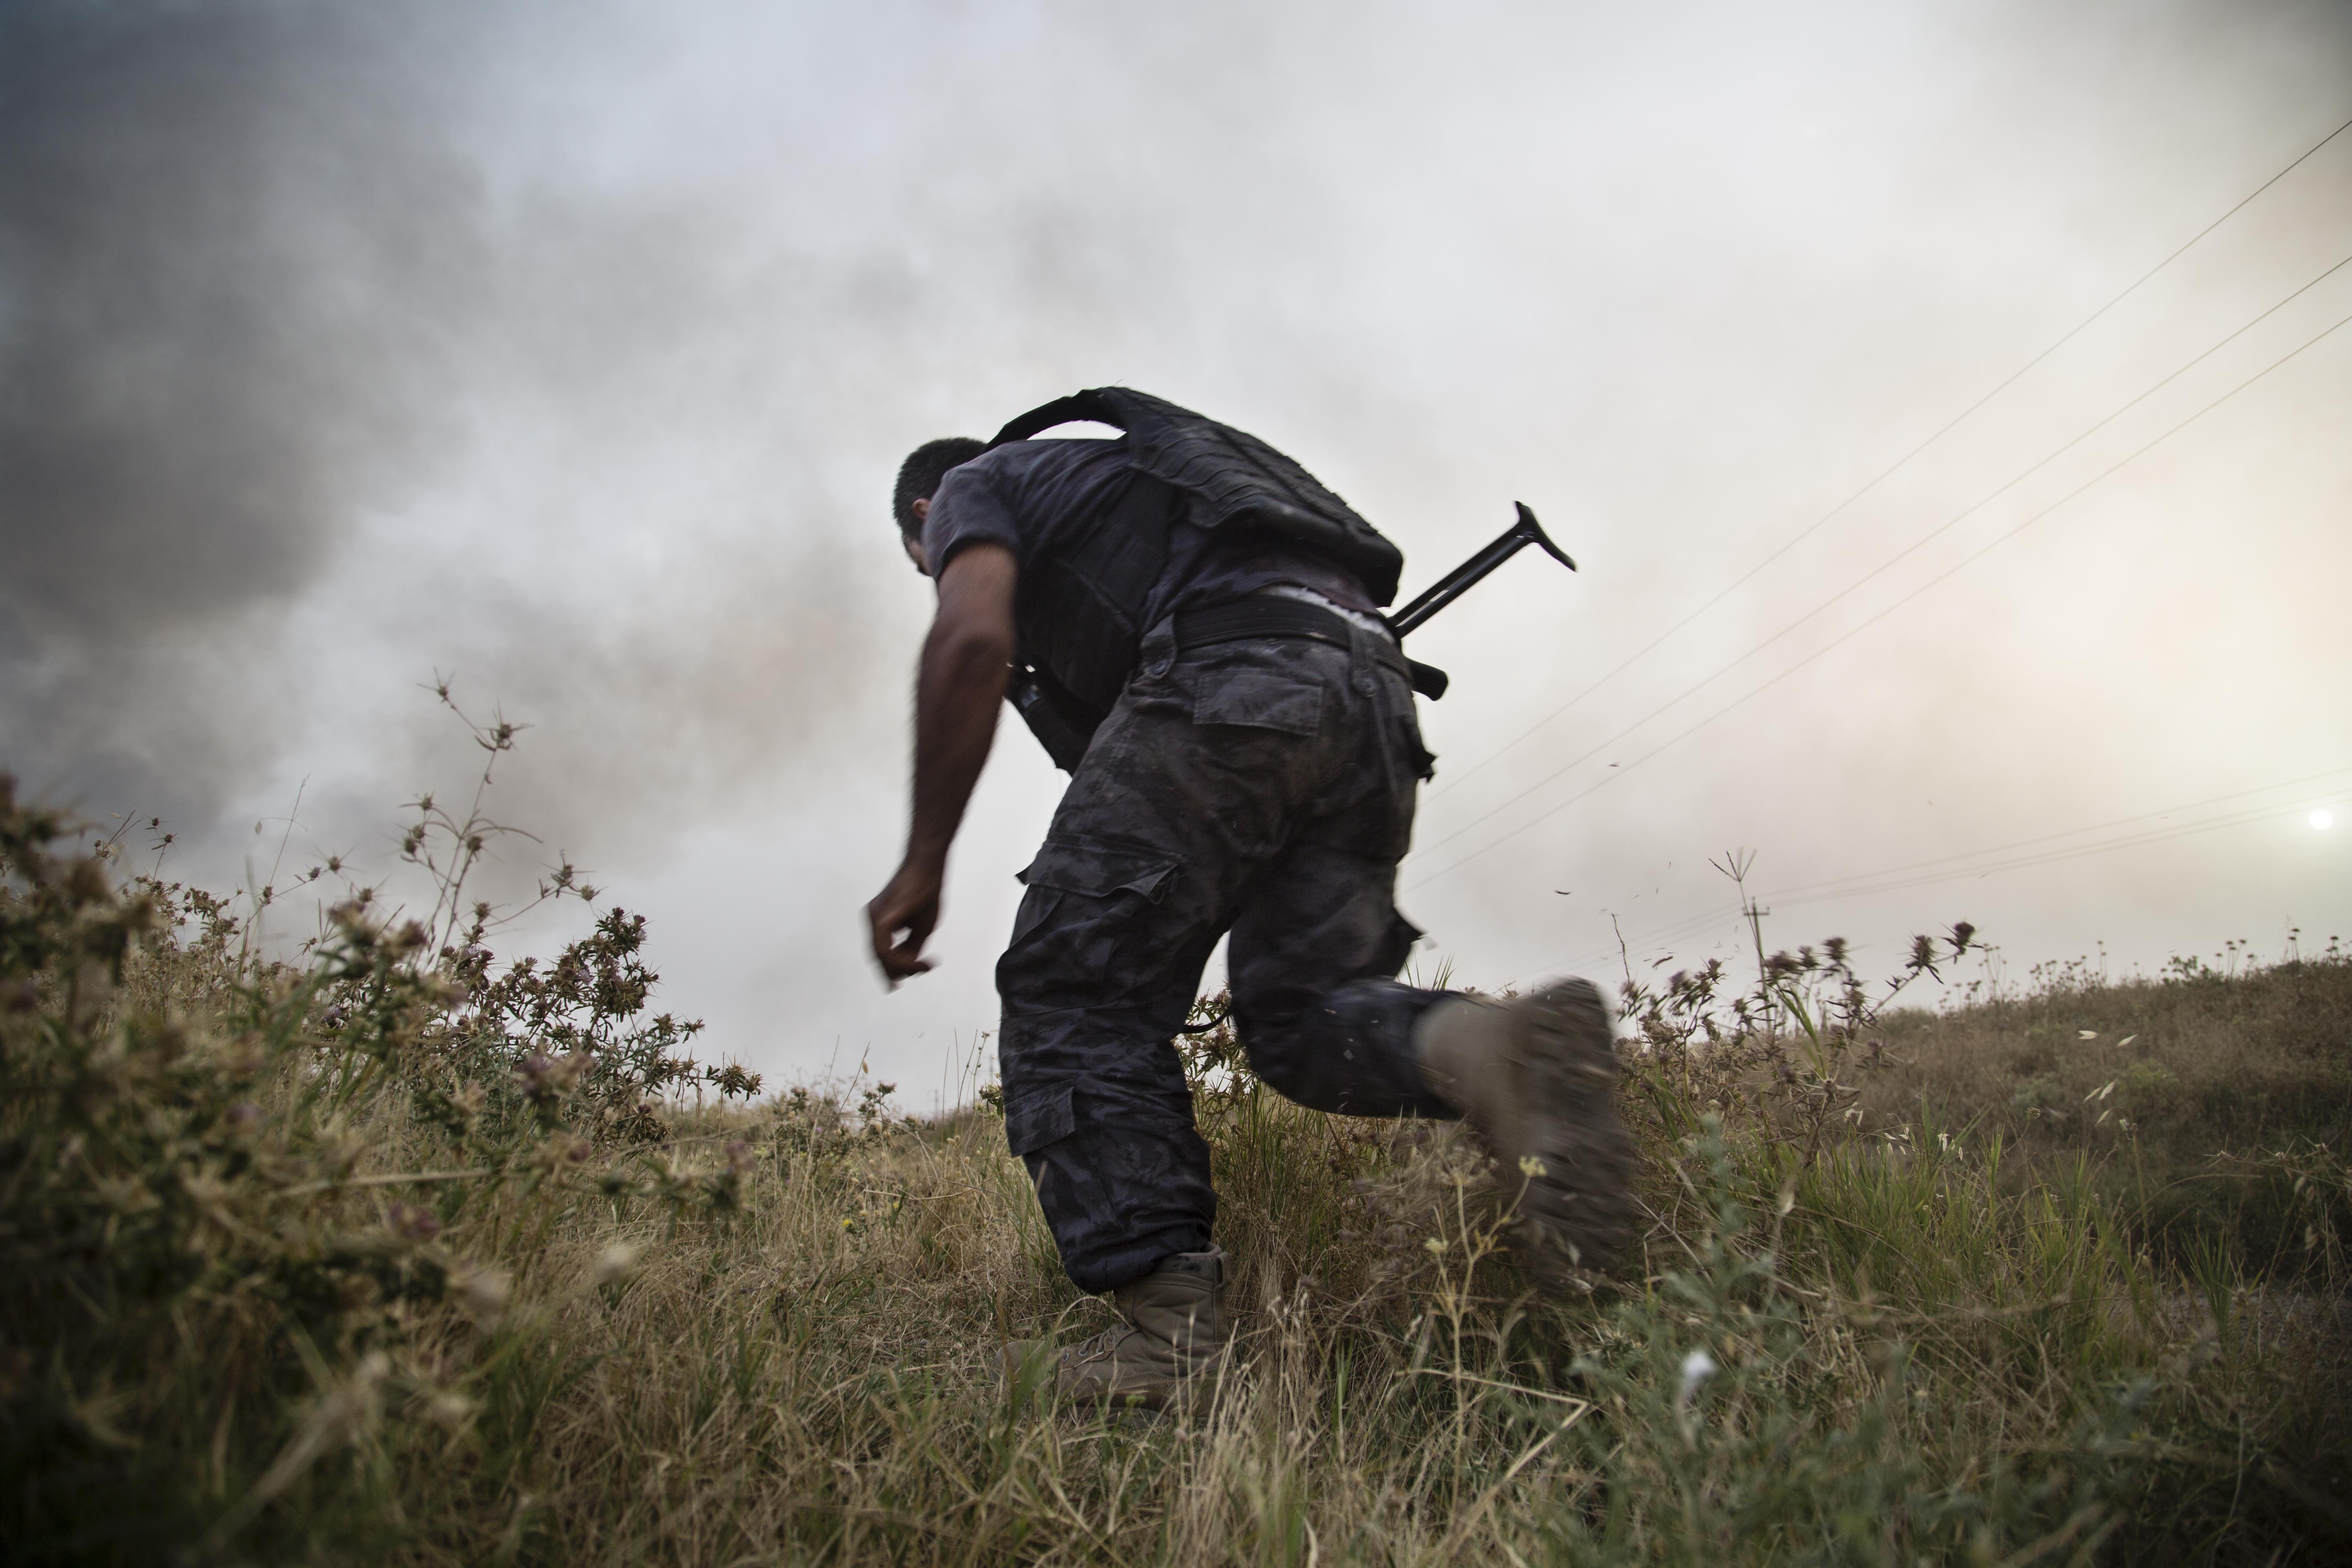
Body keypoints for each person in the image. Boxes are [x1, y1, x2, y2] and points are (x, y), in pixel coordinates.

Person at [864, 389, 1633, 1412]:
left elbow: (968, 642)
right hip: (1371, 699)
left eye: (925, 558)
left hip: (1235, 675)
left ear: (923, 521)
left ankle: (1169, 1337)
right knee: (1303, 1015)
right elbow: (1122, 761)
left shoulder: (972, 486)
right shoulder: (1138, 493)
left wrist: (924, 859)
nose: (935, 569)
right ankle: (1499, 1053)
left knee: (1074, 988)